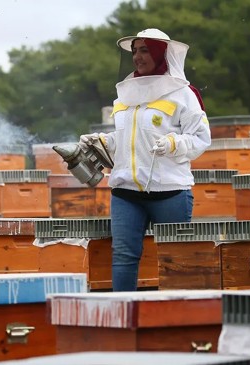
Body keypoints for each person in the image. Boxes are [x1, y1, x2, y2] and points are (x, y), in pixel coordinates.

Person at [79, 28, 211, 292]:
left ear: (161, 54)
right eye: (134, 51)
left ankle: (176, 321)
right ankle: (124, 317)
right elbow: (126, 139)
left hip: (170, 192)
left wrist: (174, 144)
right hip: (126, 192)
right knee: (123, 258)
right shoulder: (125, 94)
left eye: (144, 50)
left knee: (176, 261)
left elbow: (200, 138)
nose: (137, 57)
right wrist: (104, 142)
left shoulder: (184, 93)